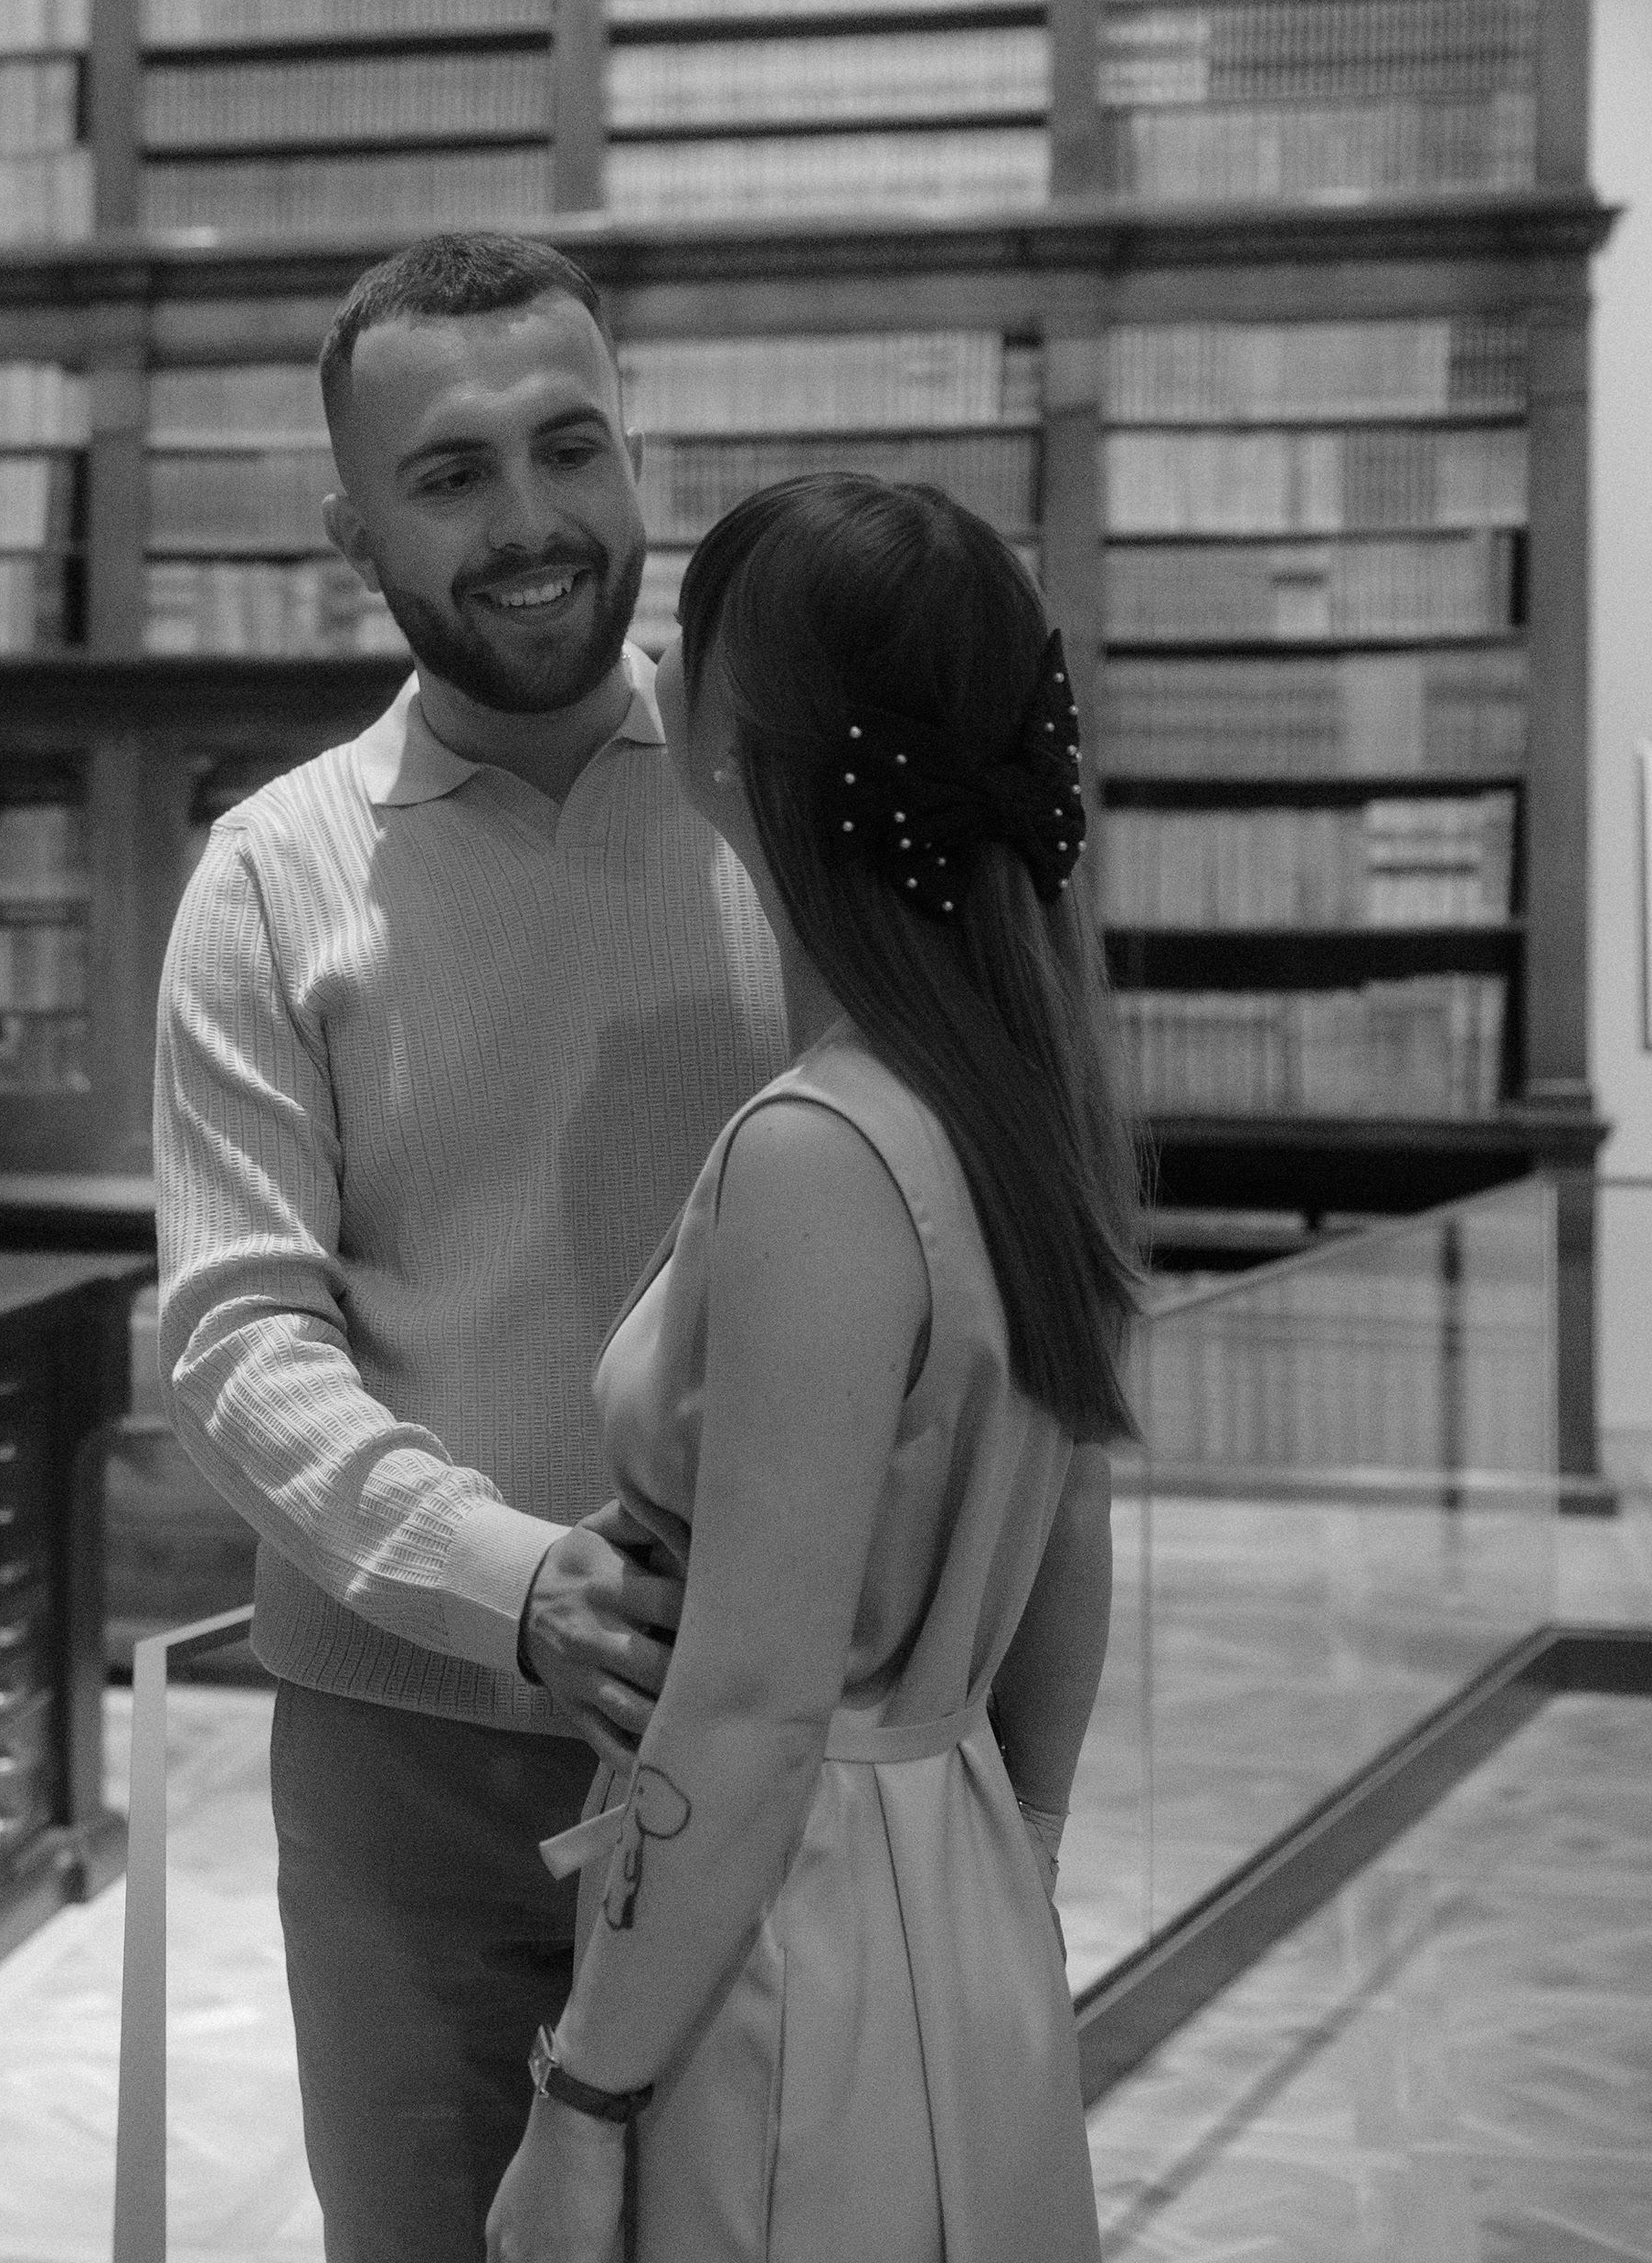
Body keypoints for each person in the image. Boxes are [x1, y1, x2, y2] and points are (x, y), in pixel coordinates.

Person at [153, 230, 790, 2263]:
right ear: (355, 533)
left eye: (567, 446)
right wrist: (517, 1584)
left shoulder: (786, 818)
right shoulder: (270, 878)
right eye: (450, 475)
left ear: (636, 458)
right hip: (405, 1757)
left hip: (772, 1725)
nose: (528, 521)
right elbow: (235, 1339)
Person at [484, 472, 1137, 2263]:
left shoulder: (821, 1151)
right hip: (959, 1866)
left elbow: (756, 1703)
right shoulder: (1019, 1097)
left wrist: (581, 2098)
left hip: (787, 1935)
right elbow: (1070, 1544)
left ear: (726, 736)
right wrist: (1011, 1851)